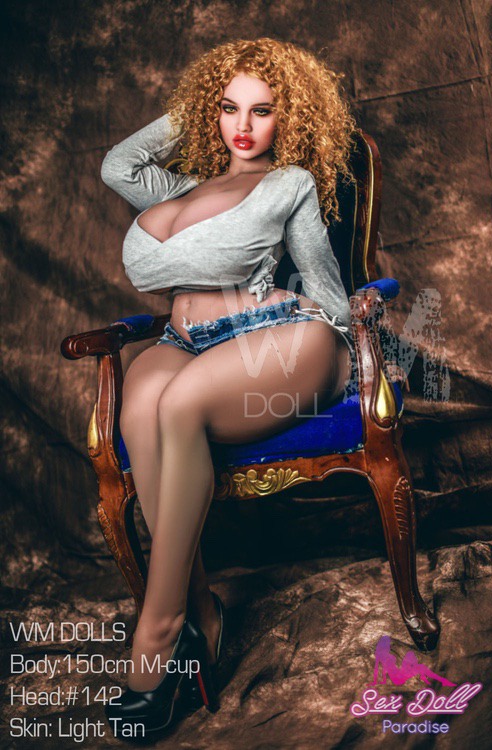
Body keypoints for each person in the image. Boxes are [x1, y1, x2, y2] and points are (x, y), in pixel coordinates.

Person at [100, 37, 357, 737]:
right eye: (227, 107)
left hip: (270, 338)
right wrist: (197, 105)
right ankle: (203, 613)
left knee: (178, 404)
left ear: (288, 118)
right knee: (139, 409)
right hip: (184, 341)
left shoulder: (289, 183)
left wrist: (323, 311)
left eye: (262, 110)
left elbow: (326, 287)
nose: (242, 125)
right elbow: (118, 163)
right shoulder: (177, 188)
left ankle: (159, 631)